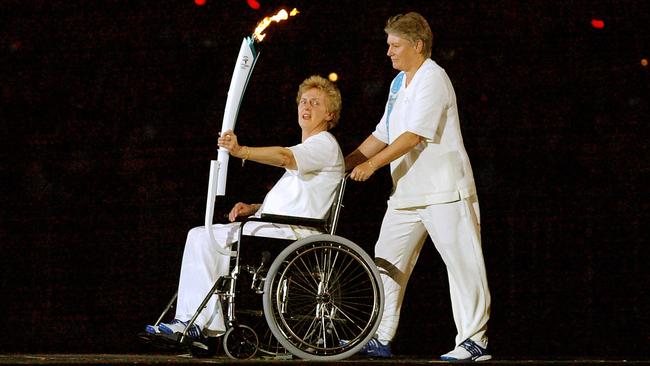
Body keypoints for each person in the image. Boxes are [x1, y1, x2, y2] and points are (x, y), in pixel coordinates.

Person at [145, 75, 344, 344]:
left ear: (329, 113)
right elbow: (298, 197)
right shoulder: (310, 147)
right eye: (304, 101)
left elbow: (285, 157)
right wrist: (254, 207)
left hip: (291, 235)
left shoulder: (323, 144)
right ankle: (195, 321)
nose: (306, 106)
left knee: (203, 236)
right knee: (203, 235)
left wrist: (241, 151)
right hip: (274, 226)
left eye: (316, 103)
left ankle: (197, 323)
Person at [345, 12, 491, 361]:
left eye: (395, 45)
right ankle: (380, 336)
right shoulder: (399, 83)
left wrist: (371, 166)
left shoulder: (434, 78)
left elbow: (413, 135)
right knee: (386, 262)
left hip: (444, 192)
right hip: (406, 193)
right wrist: (344, 163)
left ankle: (474, 341)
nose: (389, 52)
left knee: (462, 265)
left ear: (418, 45)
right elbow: (384, 132)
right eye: (388, 45)